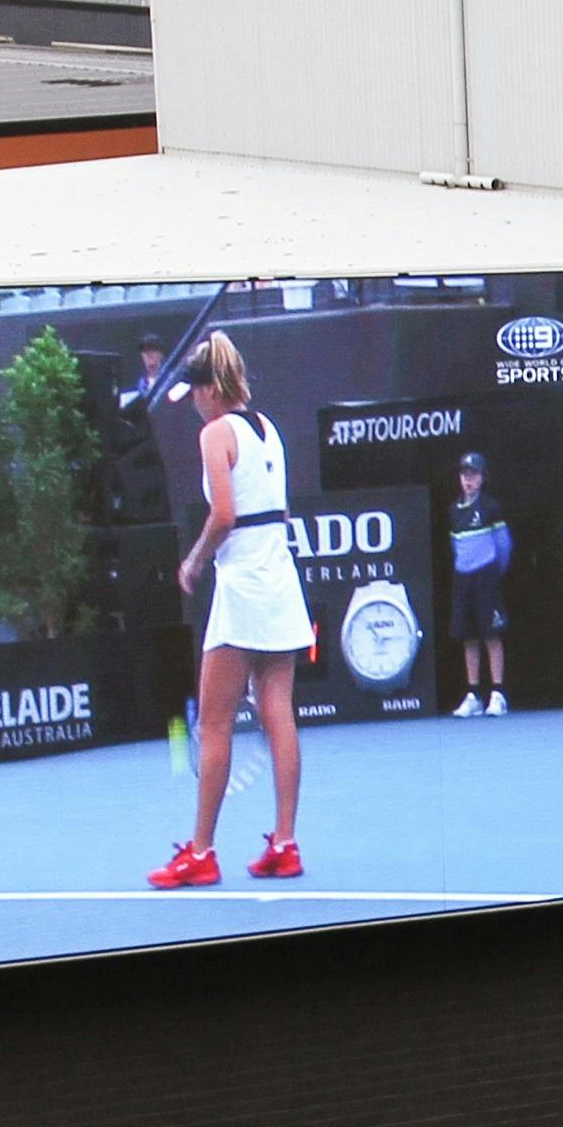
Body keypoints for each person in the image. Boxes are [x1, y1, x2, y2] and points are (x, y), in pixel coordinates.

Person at [156, 333, 308, 888]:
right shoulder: (272, 434)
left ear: (213, 387)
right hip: (279, 584)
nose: (193, 400)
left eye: (196, 389)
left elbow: (222, 515)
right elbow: (280, 511)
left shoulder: (215, 433)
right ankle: (285, 844)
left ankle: (200, 852)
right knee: (278, 713)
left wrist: (194, 562)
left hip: (243, 587)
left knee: (214, 721)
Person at [445, 447, 512, 714]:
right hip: (463, 580)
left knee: (491, 634)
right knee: (468, 637)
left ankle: (497, 694)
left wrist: (494, 573)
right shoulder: (453, 511)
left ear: (482, 478)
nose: (468, 480)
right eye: (464, 475)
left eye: (473, 475)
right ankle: (473, 695)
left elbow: (504, 545)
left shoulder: (490, 507)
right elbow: (455, 546)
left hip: (487, 577)